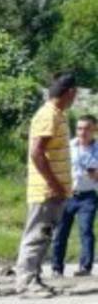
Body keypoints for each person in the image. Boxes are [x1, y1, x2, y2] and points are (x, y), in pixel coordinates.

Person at [15, 73, 77, 297]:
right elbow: (36, 152)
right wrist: (54, 183)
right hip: (46, 191)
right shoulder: (48, 115)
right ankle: (26, 281)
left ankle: (35, 277)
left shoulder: (58, 114)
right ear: (70, 92)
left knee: (44, 235)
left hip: (54, 191)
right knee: (36, 235)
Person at [50, 114, 98, 277]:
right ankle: (57, 267)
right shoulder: (69, 146)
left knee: (86, 230)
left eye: (87, 128)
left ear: (94, 129)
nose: (82, 132)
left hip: (88, 195)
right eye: (79, 128)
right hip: (67, 194)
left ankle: (85, 267)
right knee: (61, 231)